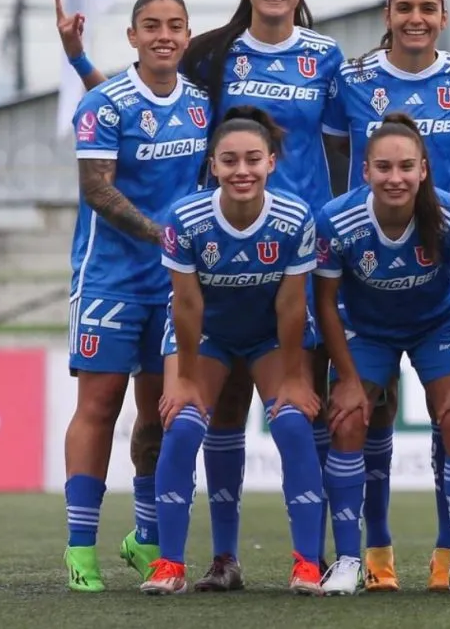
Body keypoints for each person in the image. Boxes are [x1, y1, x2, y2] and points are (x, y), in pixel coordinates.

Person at [58, 0, 345, 589]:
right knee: (188, 409)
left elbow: (354, 134)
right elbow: (127, 109)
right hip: (187, 260)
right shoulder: (220, 57)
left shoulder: (321, 58)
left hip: (294, 252)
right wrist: (79, 62)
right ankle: (195, 554)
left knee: (299, 406)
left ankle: (324, 551)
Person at [324, 0, 450, 592]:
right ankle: (361, 558)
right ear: (387, 16)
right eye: (403, 8)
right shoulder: (353, 82)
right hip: (366, 311)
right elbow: (335, 149)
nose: (416, 18)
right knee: (355, 420)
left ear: (443, 18)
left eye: (428, 8)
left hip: (438, 306)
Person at [62, 0, 211, 591]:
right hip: (108, 281)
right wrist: (162, 236)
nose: (164, 36)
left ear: (187, 35)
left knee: (161, 414)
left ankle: (146, 539)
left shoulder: (201, 103)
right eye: (152, 26)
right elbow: (96, 187)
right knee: (99, 407)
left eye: (174, 26)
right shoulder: (102, 103)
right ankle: (79, 550)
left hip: (174, 286)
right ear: (132, 36)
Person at [141, 106, 323, 595]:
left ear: (271, 163)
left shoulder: (294, 216)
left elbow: (290, 304)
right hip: (206, 334)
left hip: (269, 334)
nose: (241, 170)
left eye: (252, 160)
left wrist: (292, 376)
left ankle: (308, 564)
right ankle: (170, 566)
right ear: (213, 165)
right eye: (229, 161)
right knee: (182, 424)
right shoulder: (186, 217)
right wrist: (181, 378)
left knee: (290, 420)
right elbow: (186, 302)